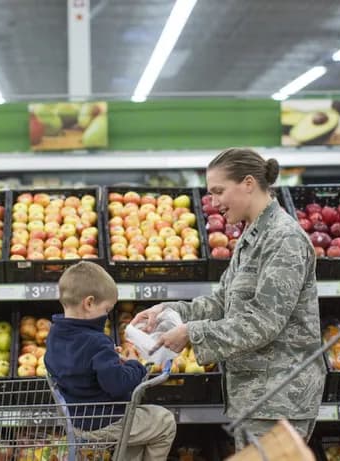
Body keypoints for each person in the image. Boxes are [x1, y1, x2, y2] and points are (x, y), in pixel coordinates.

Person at [132, 148, 325, 450]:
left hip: (279, 398)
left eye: (218, 191)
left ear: (248, 183)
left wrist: (191, 333)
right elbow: (222, 303)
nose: (213, 203)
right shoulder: (252, 237)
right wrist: (169, 310)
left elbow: (264, 322)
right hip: (256, 396)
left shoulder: (283, 239)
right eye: (210, 194)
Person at [45, 261, 176, 461]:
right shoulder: (97, 342)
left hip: (76, 419)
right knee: (164, 421)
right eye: (106, 310)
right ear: (89, 303)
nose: (107, 316)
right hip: (104, 421)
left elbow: (65, 364)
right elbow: (117, 385)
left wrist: (105, 361)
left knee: (140, 433)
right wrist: (135, 365)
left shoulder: (55, 333)